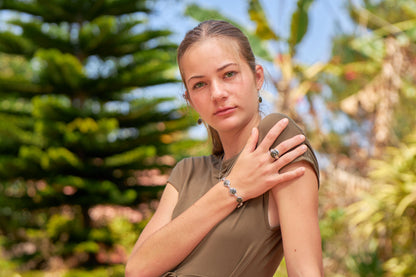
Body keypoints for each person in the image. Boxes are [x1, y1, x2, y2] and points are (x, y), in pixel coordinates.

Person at [125, 20, 323, 277]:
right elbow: (137, 269)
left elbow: (306, 272)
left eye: (229, 74)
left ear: (257, 77)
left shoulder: (275, 141)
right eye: (200, 84)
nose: (217, 93)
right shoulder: (186, 173)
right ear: (190, 100)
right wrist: (233, 188)